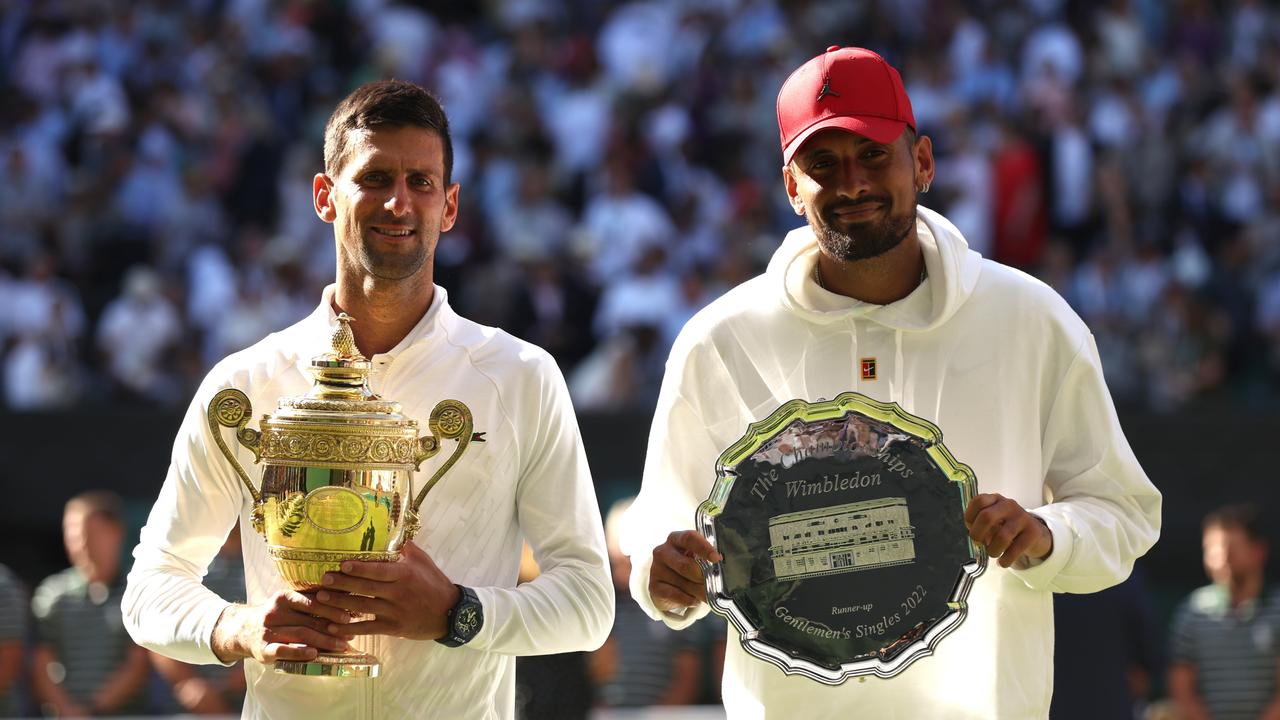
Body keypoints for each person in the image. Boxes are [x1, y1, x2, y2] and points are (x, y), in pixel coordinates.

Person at [621, 46, 1162, 718]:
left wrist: (1047, 536)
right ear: (792, 187)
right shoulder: (719, 340)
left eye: (874, 154)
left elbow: (1124, 515)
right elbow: (659, 524)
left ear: (924, 162)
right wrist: (663, 577)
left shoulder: (1030, 318)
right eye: (823, 164)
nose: (851, 184)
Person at [122, 79, 614, 719]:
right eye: (375, 178)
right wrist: (238, 629)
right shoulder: (243, 383)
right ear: (326, 196)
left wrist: (455, 613)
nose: (399, 202)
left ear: (451, 205)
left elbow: (588, 605)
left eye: (421, 182)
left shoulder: (521, 376)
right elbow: (149, 589)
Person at [33, 491, 149, 716]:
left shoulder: (138, 592)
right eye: (72, 534)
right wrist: (68, 710)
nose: (80, 543)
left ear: (117, 532)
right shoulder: (51, 594)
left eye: (90, 532)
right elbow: (41, 663)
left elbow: (138, 664)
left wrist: (93, 710)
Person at [1168, 504, 1280, 720]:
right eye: (1212, 549)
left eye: (1230, 548)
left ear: (1258, 551)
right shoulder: (1191, 613)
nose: (1221, 558)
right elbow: (1181, 688)